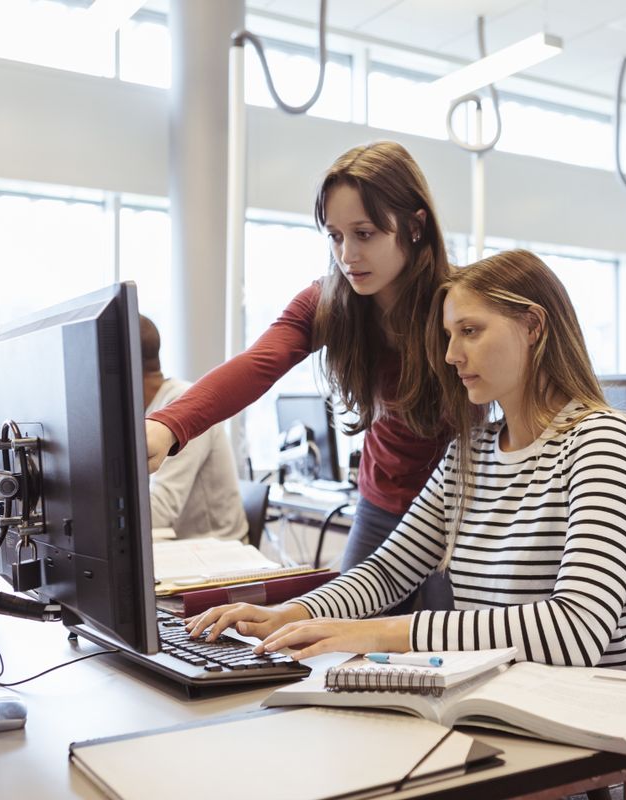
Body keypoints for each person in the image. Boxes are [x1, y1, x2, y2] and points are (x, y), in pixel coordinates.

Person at [183, 249, 626, 676]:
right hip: (511, 710)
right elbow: (389, 571)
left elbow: (576, 631)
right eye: (450, 336)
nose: (452, 355)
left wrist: (382, 633)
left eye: (470, 332)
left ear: (533, 326)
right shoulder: (471, 451)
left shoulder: (602, 441)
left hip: (602, 736)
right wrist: (294, 614)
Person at [145, 142, 453, 609]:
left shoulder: (461, 305)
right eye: (335, 235)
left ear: (414, 226)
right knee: (345, 644)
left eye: (365, 233)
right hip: (380, 504)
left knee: (445, 648)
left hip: (456, 511)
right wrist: (169, 424)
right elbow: (257, 364)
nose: (347, 254)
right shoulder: (329, 303)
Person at [140, 314, 247, 541]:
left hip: (218, 551)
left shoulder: (183, 406)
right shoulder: (148, 410)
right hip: (181, 545)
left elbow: (160, 511)